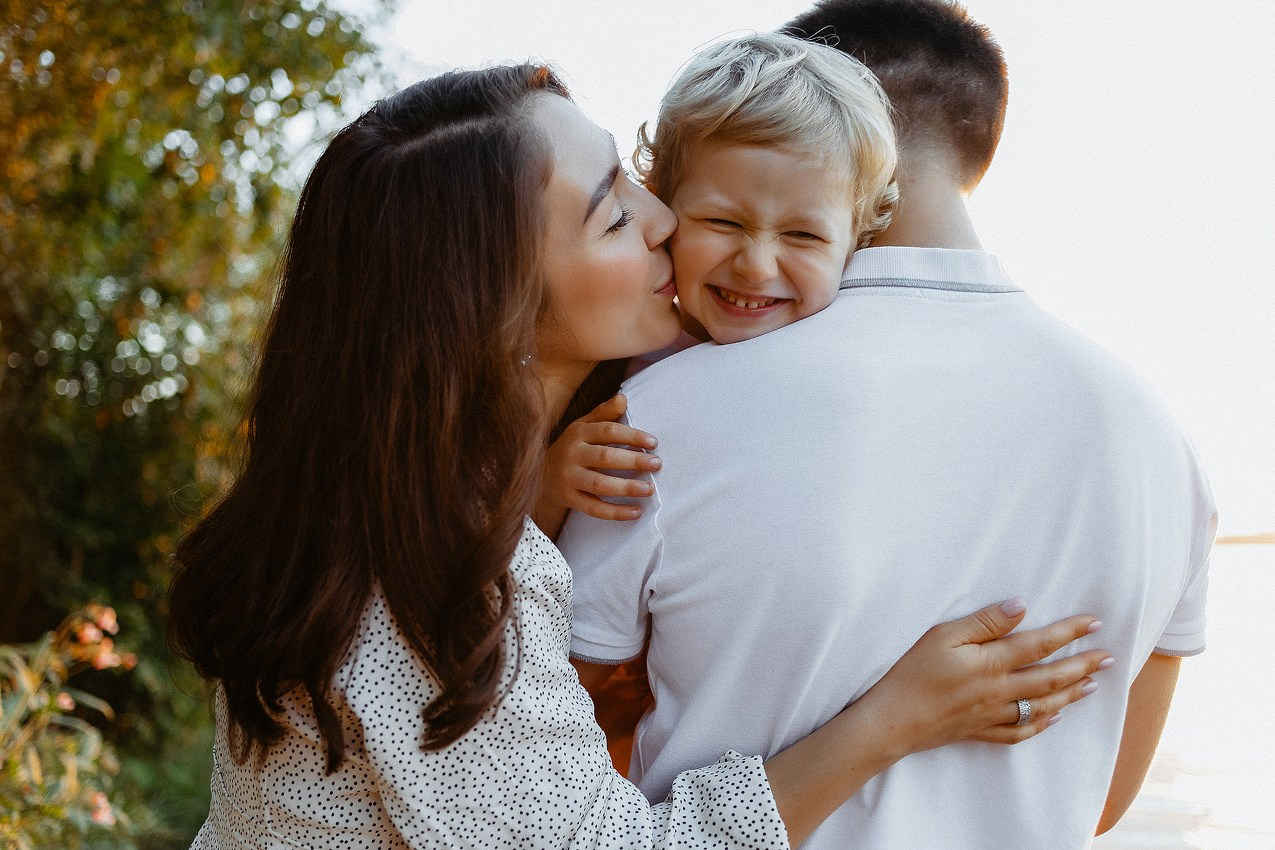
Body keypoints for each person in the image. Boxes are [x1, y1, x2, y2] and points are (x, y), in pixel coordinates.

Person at [167, 63, 1112, 848]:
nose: (662, 217)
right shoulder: (429, 588)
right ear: (492, 303)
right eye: (612, 214)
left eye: (630, 179)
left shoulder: (397, 507)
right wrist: (897, 719)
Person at [558, 4, 1217, 849]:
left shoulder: (658, 415)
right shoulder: (1162, 442)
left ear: (846, 125)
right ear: (979, 140)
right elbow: (1100, 805)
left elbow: (559, 754)